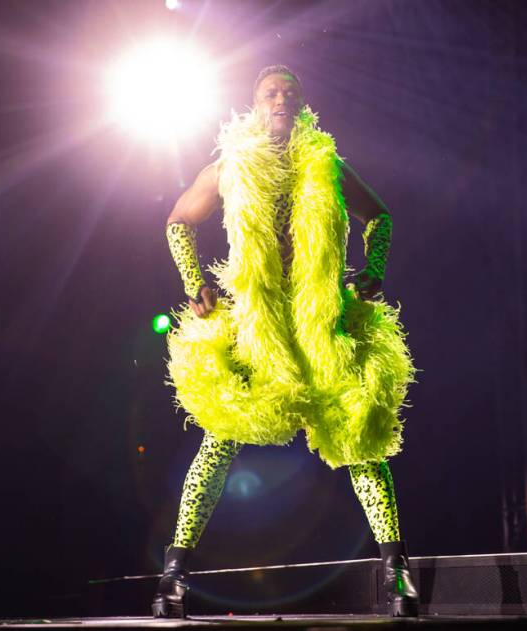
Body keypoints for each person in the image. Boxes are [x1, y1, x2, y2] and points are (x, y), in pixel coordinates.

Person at [154, 65, 418, 618]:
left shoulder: (328, 165)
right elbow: (179, 221)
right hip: (258, 327)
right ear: (255, 105)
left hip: (321, 325)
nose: (281, 98)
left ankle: (399, 575)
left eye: (290, 93)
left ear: (303, 105)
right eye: (271, 92)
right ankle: (174, 575)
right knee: (219, 441)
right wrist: (193, 282)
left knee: (362, 440)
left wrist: (374, 268)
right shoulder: (228, 167)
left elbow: (382, 217)